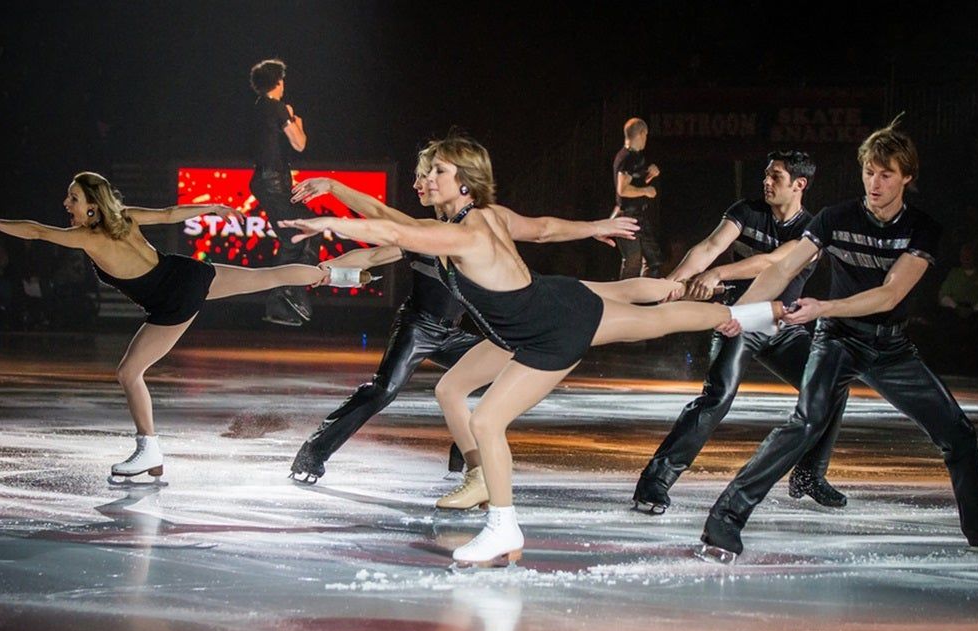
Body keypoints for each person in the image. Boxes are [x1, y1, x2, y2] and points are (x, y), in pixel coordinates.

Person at [281, 131, 786, 567]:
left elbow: (393, 228)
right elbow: (532, 228)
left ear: (464, 182)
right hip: (546, 306)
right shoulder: (484, 217)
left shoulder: (464, 234)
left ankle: (503, 528)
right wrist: (336, 191)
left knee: (488, 420)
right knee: (638, 318)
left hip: (547, 332)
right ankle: (751, 314)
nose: (428, 177)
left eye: (438, 171)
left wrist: (331, 223)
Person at [699, 120, 978, 563]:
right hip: (837, 342)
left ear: (907, 177)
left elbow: (890, 294)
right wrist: (740, 314)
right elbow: (782, 269)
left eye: (886, 174)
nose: (874, 183)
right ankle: (725, 518)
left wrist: (825, 307)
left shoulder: (921, 229)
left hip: (890, 348)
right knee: (806, 422)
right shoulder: (835, 218)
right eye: (869, 172)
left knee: (957, 432)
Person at [0, 171, 377, 485]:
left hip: (171, 298)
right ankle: (340, 276)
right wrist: (211, 208)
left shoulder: (88, 238)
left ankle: (149, 452)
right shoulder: (123, 218)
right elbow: (168, 214)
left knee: (129, 373)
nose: (65, 203)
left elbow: (36, 231)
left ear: (91, 207)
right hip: (186, 273)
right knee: (266, 277)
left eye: (73, 198)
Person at [287, 163, 639, 487]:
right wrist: (328, 269)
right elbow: (373, 254)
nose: (419, 184)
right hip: (418, 327)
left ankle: (468, 461)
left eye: (427, 176)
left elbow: (543, 229)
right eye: (418, 177)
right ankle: (313, 453)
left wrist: (596, 227)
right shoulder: (422, 233)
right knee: (384, 389)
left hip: (453, 332)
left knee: (504, 380)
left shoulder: (481, 225)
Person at [633, 151, 849, 514]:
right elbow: (709, 247)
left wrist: (718, 273)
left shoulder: (813, 230)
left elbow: (773, 262)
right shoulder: (746, 211)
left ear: (799, 184)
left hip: (783, 326)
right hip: (738, 318)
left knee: (833, 385)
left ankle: (810, 474)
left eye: (775, 177)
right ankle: (655, 480)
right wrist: (672, 284)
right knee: (717, 396)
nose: (766, 182)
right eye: (766, 174)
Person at [248, 58, 320, 326]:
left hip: (267, 179)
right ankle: (290, 292)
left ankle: (283, 300)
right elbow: (300, 144)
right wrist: (296, 121)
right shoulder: (277, 107)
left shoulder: (258, 107)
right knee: (305, 230)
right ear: (278, 82)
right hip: (272, 180)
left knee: (296, 236)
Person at [612, 118, 662, 279]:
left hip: (637, 215)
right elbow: (623, 189)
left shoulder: (636, 157)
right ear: (641, 134)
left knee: (653, 261)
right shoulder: (627, 157)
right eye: (645, 135)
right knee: (633, 262)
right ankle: (624, 293)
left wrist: (649, 175)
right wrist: (646, 191)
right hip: (628, 215)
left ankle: (645, 292)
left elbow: (635, 182)